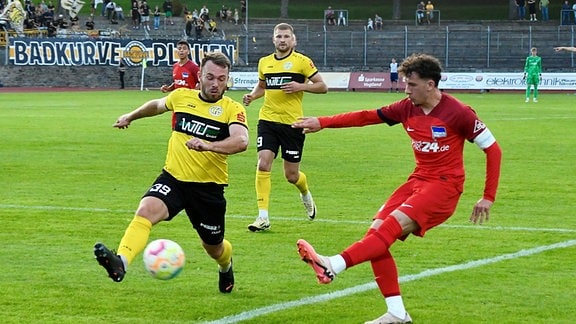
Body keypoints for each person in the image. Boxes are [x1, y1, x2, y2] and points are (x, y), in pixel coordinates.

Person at [293, 53, 502, 324]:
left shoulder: (459, 112)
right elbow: (366, 116)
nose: (406, 90)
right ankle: (396, 313)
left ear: (430, 84)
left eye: (412, 85)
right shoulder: (406, 108)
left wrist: (488, 197)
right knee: (376, 235)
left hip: (445, 187)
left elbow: (493, 149)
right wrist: (323, 122)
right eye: (405, 84)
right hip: (417, 181)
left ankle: (333, 264)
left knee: (389, 228)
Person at [93, 52, 249, 294]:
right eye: (210, 77)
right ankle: (120, 262)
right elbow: (156, 105)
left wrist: (208, 145)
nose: (216, 83)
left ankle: (225, 265)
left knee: (214, 248)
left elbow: (241, 141)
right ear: (200, 77)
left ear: (228, 80)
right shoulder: (181, 96)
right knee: (145, 211)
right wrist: (130, 116)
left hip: (208, 188)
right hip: (173, 179)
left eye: (221, 78)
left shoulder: (232, 108)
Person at [242, 23, 328, 232]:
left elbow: (322, 86)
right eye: (279, 36)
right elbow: (263, 86)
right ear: (273, 39)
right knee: (263, 164)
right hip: (268, 121)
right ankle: (263, 217)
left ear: (293, 40)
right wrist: (253, 96)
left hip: (293, 124)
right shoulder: (265, 62)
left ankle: (305, 193)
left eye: (286, 36)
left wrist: (302, 86)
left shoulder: (302, 62)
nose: (282, 40)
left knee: (292, 176)